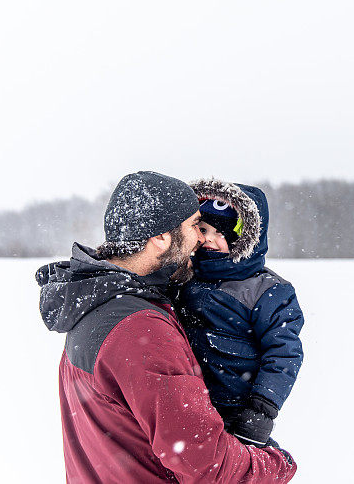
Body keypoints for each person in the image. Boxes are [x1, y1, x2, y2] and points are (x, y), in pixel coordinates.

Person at [36, 171, 296, 483]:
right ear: (161, 238)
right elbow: (210, 469)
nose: (201, 238)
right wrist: (277, 464)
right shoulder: (141, 331)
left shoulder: (93, 302)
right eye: (193, 226)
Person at [177, 179, 304, 449]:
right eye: (202, 229)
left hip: (235, 408)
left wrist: (262, 409)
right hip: (187, 402)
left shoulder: (268, 291)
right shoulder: (186, 277)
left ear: (243, 238)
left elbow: (283, 353)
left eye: (220, 232)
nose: (208, 238)